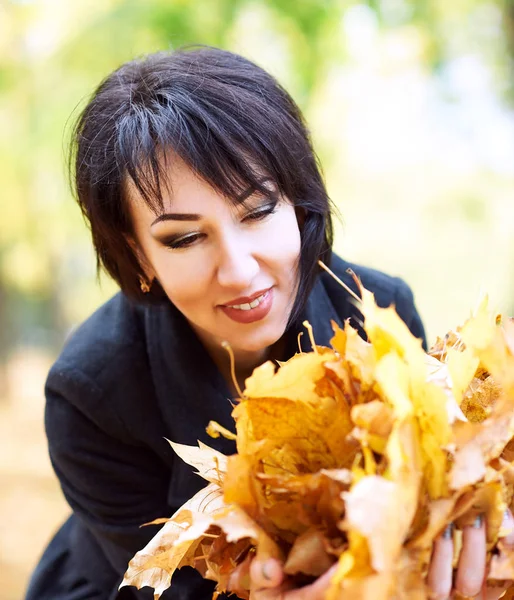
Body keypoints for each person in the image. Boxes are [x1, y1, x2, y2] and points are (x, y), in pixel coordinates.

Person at [24, 46, 510, 600]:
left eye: (257, 211)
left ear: (298, 205)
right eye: (184, 238)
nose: (238, 270)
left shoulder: (378, 314)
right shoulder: (89, 392)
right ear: (138, 256)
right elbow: (158, 587)